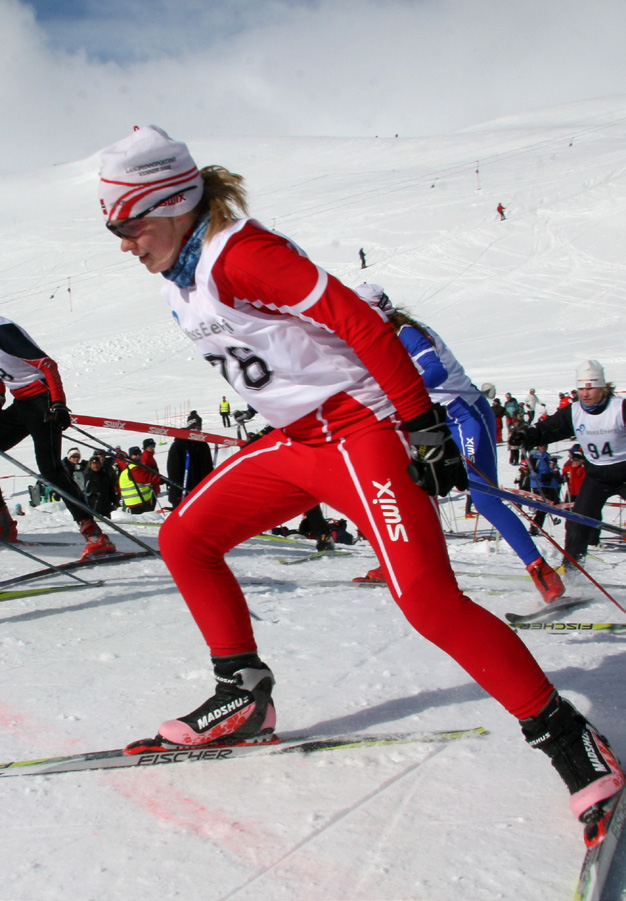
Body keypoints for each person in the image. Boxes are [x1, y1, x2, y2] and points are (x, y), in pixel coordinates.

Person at [98, 124, 623, 831]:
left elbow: (359, 322)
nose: (124, 243)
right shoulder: (181, 272)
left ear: (169, 201)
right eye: (113, 230)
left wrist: (420, 422)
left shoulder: (242, 253)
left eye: (129, 224)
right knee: (185, 536)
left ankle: (571, 741)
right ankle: (244, 692)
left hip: (361, 435)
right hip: (300, 442)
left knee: (429, 604)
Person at [351, 283, 564, 604]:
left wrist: (401, 391)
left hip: (464, 414)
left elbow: (434, 371)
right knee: (418, 488)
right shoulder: (377, 339)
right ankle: (404, 565)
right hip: (429, 418)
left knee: (484, 497)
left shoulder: (406, 333)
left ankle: (541, 571)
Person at [0, 316, 115, 556]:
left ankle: (95, 535)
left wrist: (59, 404)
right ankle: (3, 527)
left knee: (51, 470)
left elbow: (47, 364)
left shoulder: (3, 330)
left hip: (42, 402)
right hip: (21, 404)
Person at [513, 359, 626, 573]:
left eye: (591, 388)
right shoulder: (574, 411)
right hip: (597, 476)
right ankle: (573, 574)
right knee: (576, 524)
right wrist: (528, 434)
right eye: (581, 388)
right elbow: (551, 428)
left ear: (603, 387)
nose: (585, 393)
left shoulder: (619, 408)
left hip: (624, 471)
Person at [167, 410, 214, 508]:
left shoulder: (203, 444)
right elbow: (173, 471)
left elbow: (208, 467)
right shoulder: (178, 444)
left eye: (198, 427)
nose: (196, 430)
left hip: (201, 491)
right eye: (194, 427)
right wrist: (178, 493)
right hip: (183, 492)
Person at [527, 445, 562, 536]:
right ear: (538, 446)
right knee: (542, 507)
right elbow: (530, 472)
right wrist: (542, 477)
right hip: (539, 484)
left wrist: (555, 478)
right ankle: (534, 528)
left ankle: (537, 527)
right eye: (542, 445)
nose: (544, 447)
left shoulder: (547, 456)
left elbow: (550, 470)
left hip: (549, 485)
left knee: (547, 506)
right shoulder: (534, 456)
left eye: (545, 445)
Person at [118, 446, 157, 514]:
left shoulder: (138, 467)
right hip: (137, 504)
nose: (138, 456)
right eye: (135, 454)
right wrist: (159, 478)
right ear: (130, 456)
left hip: (141, 502)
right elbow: (146, 478)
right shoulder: (133, 468)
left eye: (139, 454)